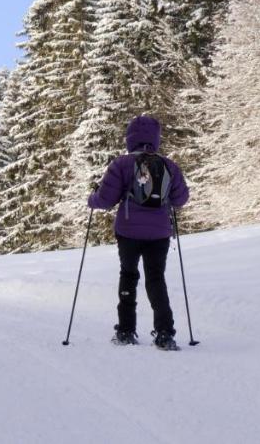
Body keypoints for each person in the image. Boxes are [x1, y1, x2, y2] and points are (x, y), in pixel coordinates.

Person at [87, 114, 190, 350]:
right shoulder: (168, 165)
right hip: (159, 234)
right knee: (156, 280)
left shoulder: (120, 164)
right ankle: (165, 333)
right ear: (155, 139)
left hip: (128, 233)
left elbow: (105, 200)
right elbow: (181, 199)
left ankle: (125, 331)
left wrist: (91, 199)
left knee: (129, 276)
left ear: (130, 138)